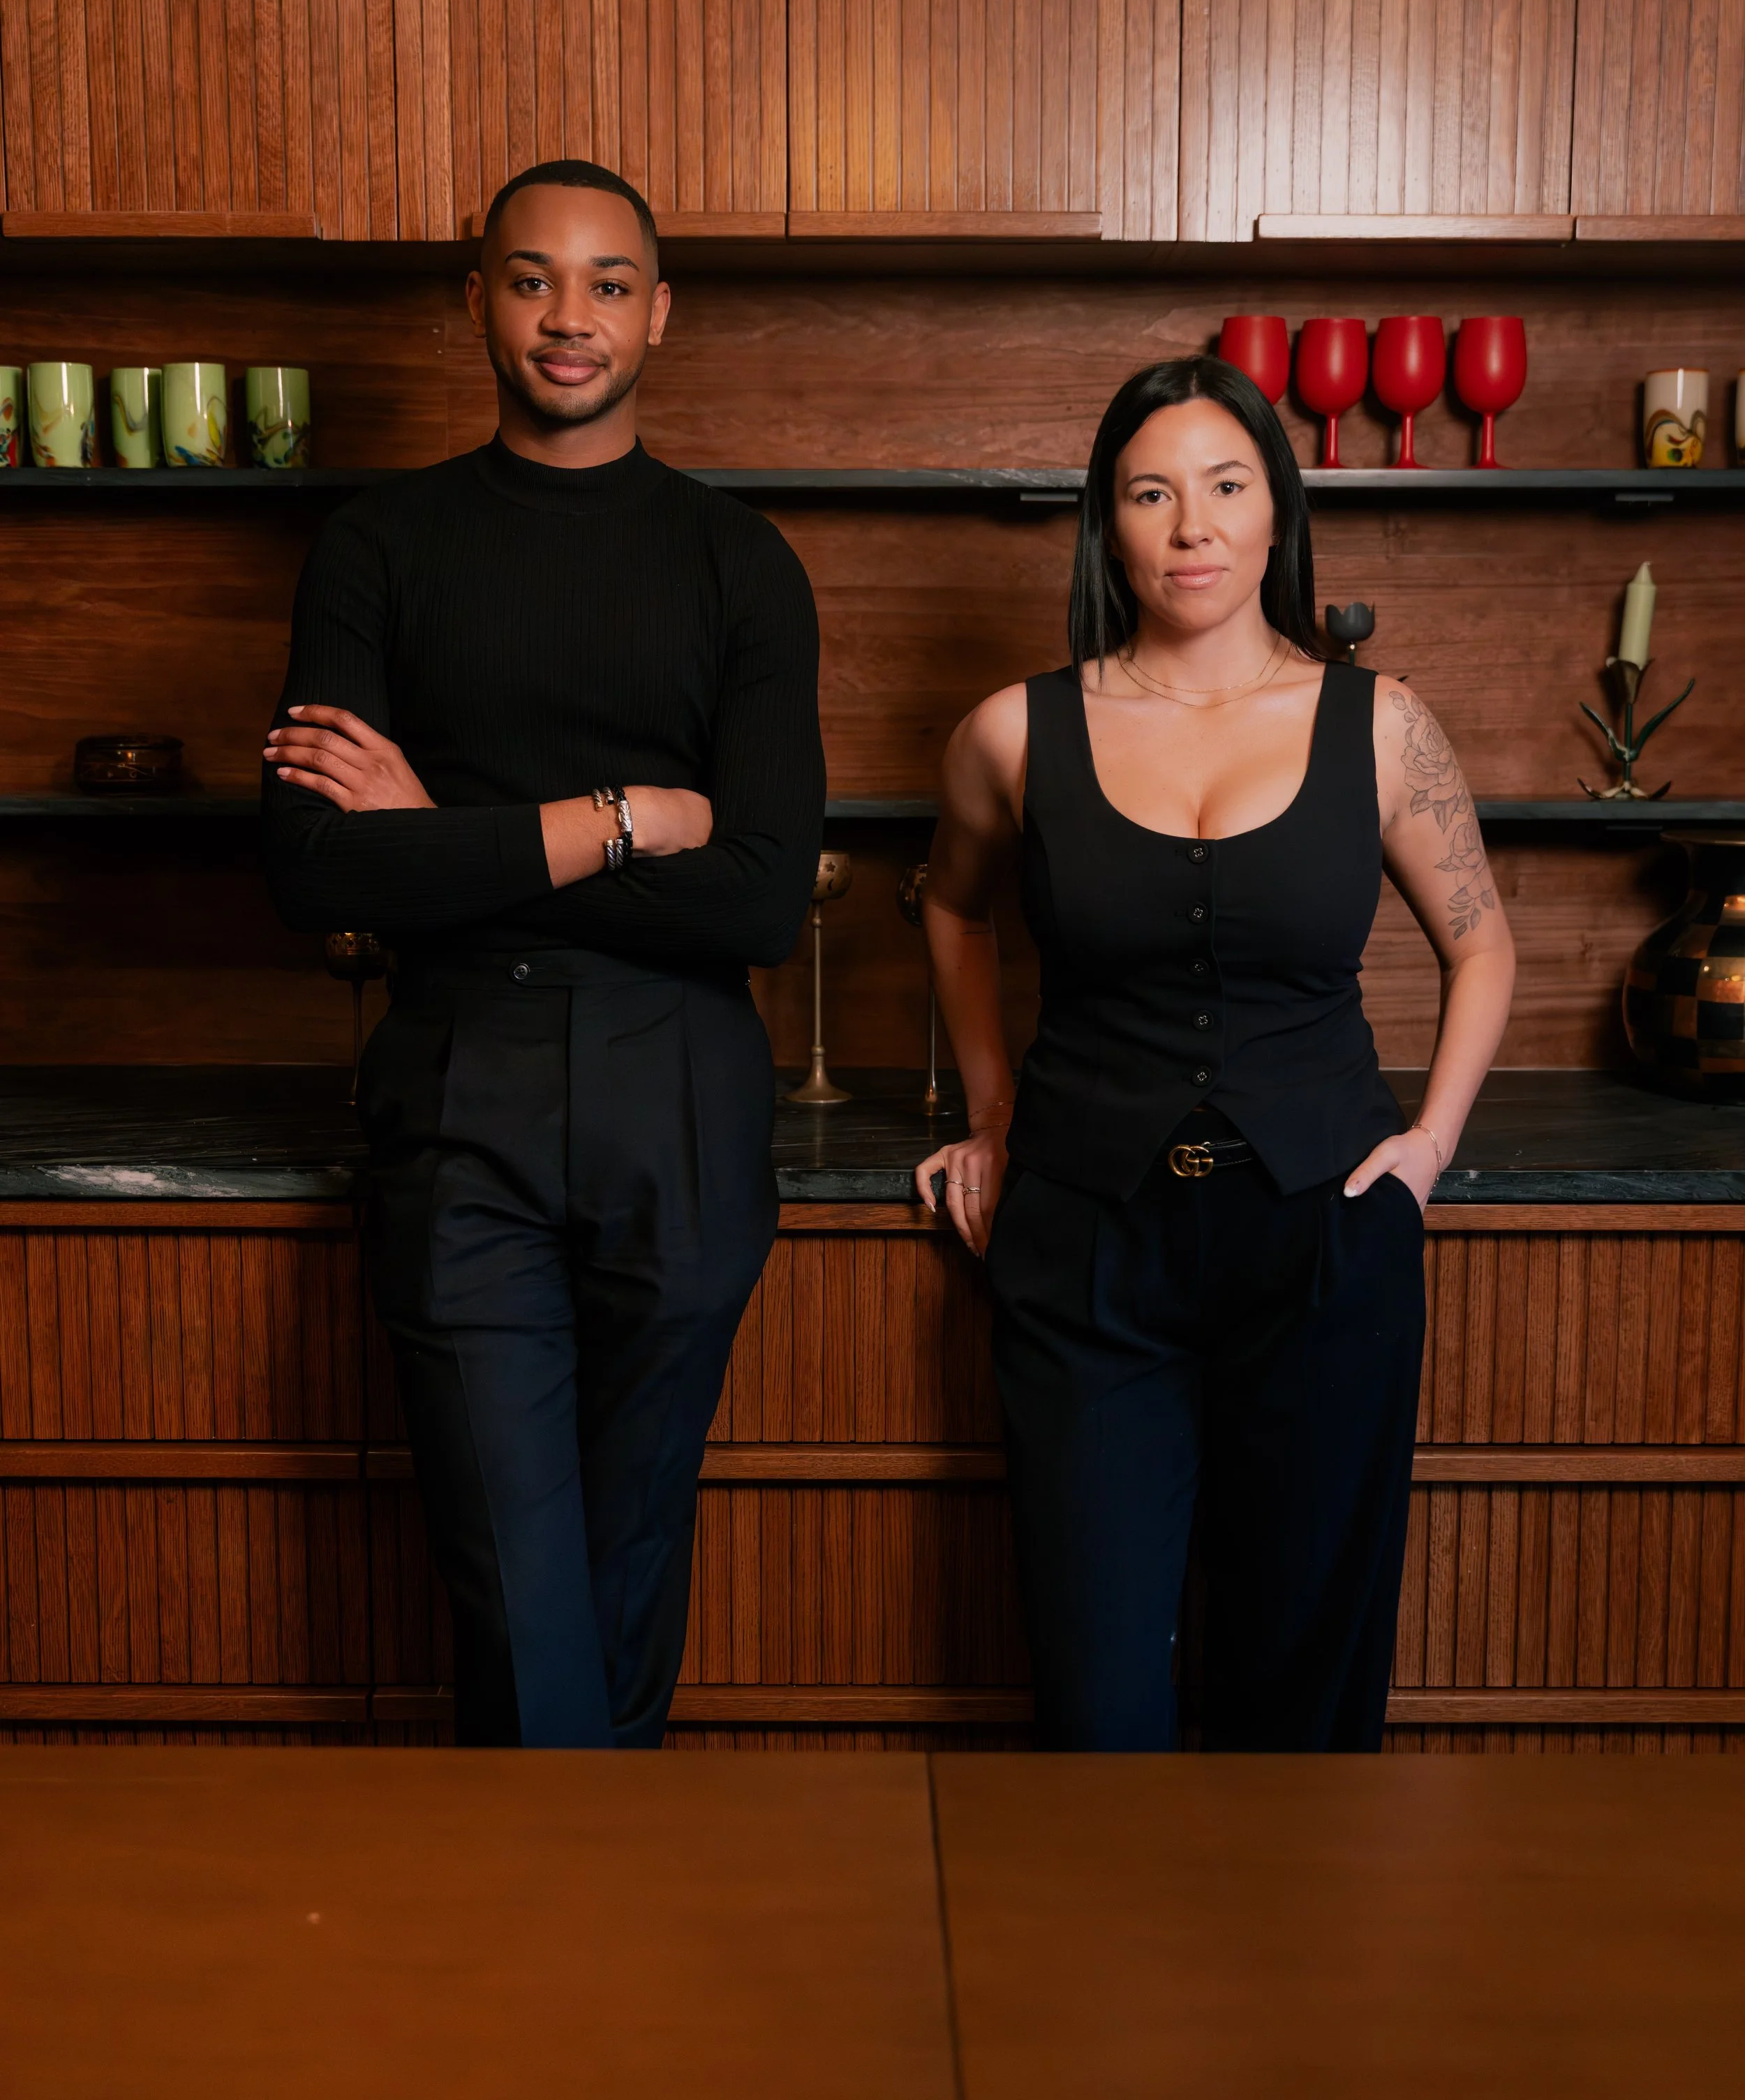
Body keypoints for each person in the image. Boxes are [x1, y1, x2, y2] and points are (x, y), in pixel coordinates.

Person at [261, 158, 824, 1749]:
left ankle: (594, 1880)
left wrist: (446, 842)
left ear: (659, 314)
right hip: (461, 1091)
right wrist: (619, 821)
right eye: (530, 280)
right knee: (512, 1578)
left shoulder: (739, 562)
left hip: (683, 1095)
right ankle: (565, 1885)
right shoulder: (378, 545)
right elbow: (313, 869)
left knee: (629, 1559)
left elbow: (758, 902)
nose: (568, 317)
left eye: (605, 284)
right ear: (477, 303)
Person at [916, 357, 1514, 1752]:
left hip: (1322, 1242)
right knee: (1095, 1695)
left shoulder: (1380, 723)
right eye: (1150, 493)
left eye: (1226, 485)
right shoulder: (1012, 730)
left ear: (1274, 511)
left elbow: (1482, 942)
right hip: (1085, 1247)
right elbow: (948, 907)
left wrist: (1427, 1147)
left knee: (1302, 1697)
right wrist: (992, 1114)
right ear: (1107, 524)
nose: (1192, 525)